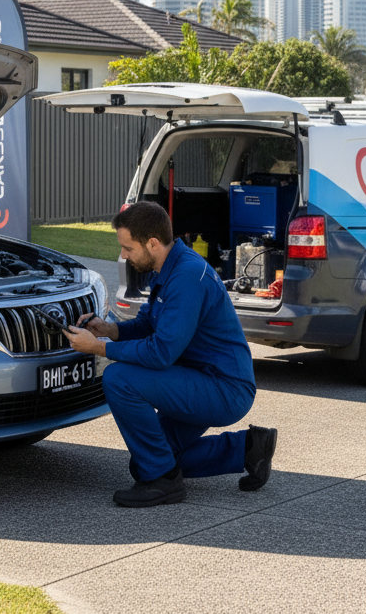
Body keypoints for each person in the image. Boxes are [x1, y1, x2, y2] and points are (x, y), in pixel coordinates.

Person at [65, 200, 278, 508]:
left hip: (223, 387)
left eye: (128, 248)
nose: (123, 256)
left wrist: (100, 348)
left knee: (118, 378)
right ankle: (248, 448)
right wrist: (110, 330)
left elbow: (162, 352)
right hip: (199, 378)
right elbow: (150, 325)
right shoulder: (169, 267)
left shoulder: (186, 277)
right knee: (147, 460)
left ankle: (163, 483)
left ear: (153, 243)